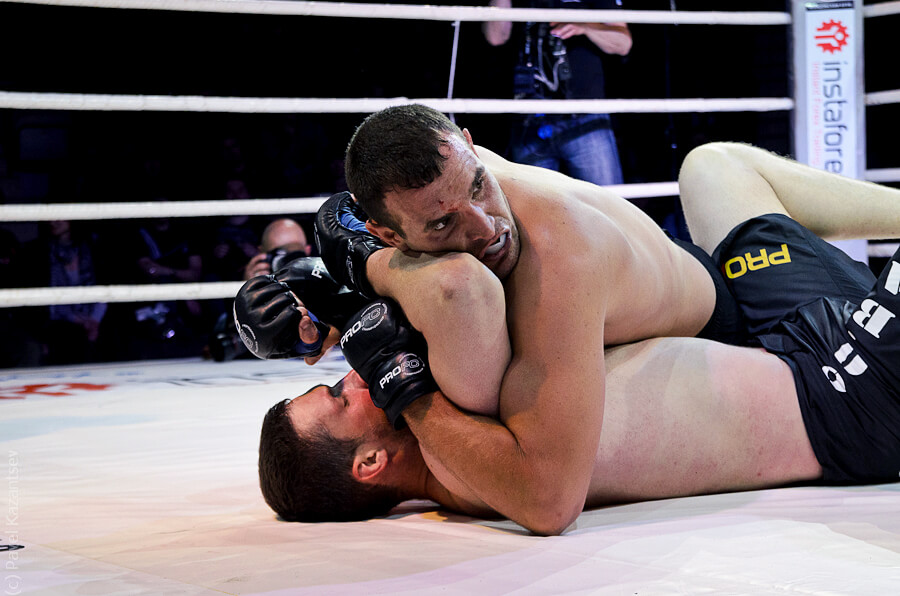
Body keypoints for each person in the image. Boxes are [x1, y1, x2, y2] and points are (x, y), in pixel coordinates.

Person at [242, 106, 900, 532]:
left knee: (713, 165)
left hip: (761, 317)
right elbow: (455, 294)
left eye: (478, 185)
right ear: (370, 463)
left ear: (470, 151)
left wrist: (333, 290)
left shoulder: (461, 351)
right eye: (337, 396)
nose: (486, 226)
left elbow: (418, 255)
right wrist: (395, 372)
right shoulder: (466, 450)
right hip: (849, 389)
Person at [484, 0, 631, 186]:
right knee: (533, 202)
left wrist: (585, 26)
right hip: (529, 120)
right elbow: (495, 37)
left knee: (606, 200)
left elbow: (623, 43)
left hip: (584, 116)